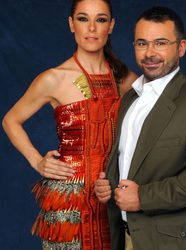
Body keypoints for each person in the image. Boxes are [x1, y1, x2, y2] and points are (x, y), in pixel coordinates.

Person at [2, 0, 137, 249]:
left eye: (101, 19)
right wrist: (37, 161)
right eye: (84, 19)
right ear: (71, 24)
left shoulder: (126, 79)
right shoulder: (53, 78)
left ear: (111, 26)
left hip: (112, 197)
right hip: (69, 201)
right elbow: (11, 120)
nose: (92, 28)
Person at [95, 6, 186, 250]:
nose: (149, 53)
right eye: (141, 43)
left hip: (173, 243)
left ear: (181, 48)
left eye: (160, 43)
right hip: (124, 237)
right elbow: (129, 161)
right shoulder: (130, 99)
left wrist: (143, 197)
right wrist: (109, 186)